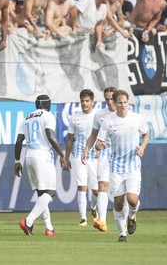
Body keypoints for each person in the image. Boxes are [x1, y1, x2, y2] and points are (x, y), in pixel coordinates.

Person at [86, 89, 149, 243]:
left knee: (133, 200)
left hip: (133, 165)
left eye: (125, 102)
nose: (122, 105)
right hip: (116, 167)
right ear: (114, 103)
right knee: (119, 202)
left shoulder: (136, 118)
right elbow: (99, 141)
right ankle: (122, 234)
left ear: (128, 102)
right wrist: (98, 147)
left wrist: (142, 148)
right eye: (119, 102)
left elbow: (146, 134)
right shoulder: (108, 122)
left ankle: (132, 215)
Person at [15, 94, 65, 236]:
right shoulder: (47, 115)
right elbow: (50, 136)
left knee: (41, 194)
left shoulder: (26, 118)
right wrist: (62, 155)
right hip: (42, 156)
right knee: (51, 192)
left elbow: (19, 142)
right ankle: (28, 221)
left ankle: (49, 229)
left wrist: (17, 161)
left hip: (29, 156)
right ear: (46, 104)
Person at [81, 86, 118, 233]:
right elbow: (93, 135)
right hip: (104, 154)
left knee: (120, 192)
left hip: (121, 157)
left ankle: (129, 217)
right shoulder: (100, 115)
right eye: (107, 99)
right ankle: (102, 221)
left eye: (112, 98)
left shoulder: (125, 114)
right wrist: (86, 151)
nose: (109, 102)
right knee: (102, 185)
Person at [64, 89, 97, 227]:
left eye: (87, 101)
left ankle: (93, 207)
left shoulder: (97, 116)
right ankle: (83, 218)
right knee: (82, 187)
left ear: (92, 102)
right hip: (78, 156)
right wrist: (66, 157)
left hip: (95, 156)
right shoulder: (75, 117)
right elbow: (70, 139)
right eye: (82, 100)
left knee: (96, 190)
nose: (84, 103)